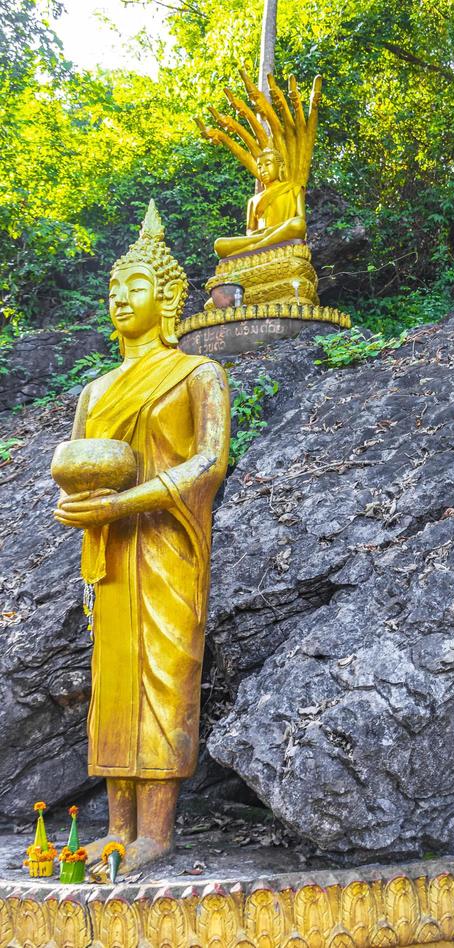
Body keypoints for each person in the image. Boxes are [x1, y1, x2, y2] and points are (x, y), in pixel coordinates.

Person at [53, 200, 230, 874]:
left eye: (135, 287)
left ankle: (155, 833)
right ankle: (116, 826)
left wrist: (128, 499)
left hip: (167, 546)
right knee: (114, 686)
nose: (120, 298)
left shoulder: (197, 374)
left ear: (167, 298)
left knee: (163, 679)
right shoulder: (94, 391)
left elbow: (208, 463)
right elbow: (76, 464)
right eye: (113, 288)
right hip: (110, 553)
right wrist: (85, 507)